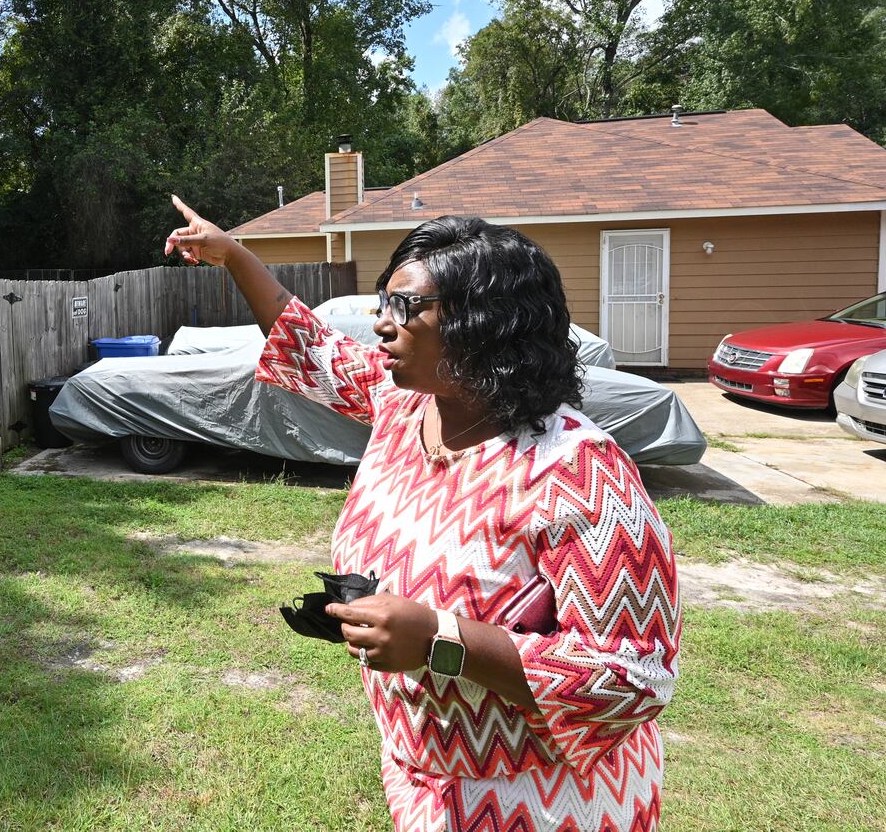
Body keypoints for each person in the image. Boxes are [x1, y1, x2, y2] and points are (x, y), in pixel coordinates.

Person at [165, 196, 680, 832]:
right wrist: (233, 254)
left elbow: (634, 677)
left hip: (546, 801)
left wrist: (442, 640)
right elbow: (308, 341)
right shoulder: (406, 410)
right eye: (385, 302)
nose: (382, 323)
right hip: (424, 785)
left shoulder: (579, 475)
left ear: (485, 322)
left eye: (406, 307)